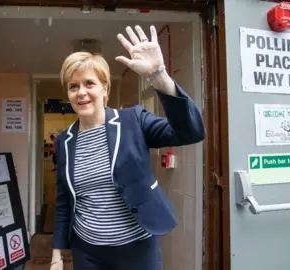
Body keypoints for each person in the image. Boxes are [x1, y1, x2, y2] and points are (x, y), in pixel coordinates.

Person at [49, 25, 205, 270]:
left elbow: (191, 131)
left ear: (105, 89)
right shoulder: (64, 140)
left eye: (89, 83)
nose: (81, 93)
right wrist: (57, 253)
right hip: (87, 251)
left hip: (137, 249)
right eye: (73, 86)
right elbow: (64, 202)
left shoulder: (133, 120)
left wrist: (159, 76)